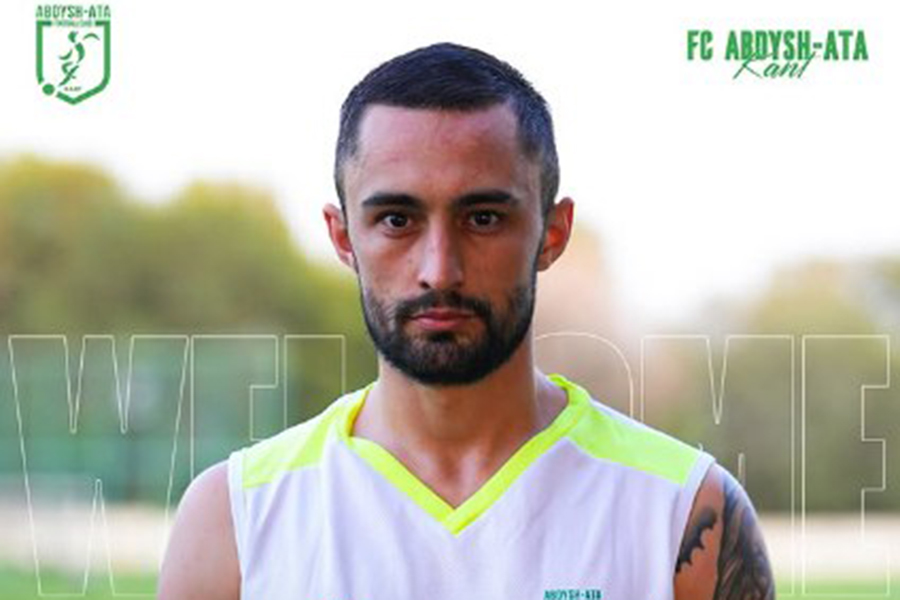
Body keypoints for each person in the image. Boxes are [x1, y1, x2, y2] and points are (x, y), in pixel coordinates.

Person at [158, 42, 774, 599]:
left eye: (482, 218)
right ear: (343, 237)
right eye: (397, 220)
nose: (439, 270)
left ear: (552, 233)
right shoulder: (235, 519)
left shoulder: (683, 511)